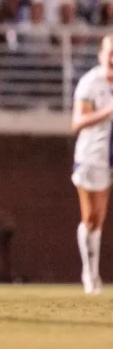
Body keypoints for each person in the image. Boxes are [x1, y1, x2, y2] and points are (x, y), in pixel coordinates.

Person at [70, 35, 113, 295]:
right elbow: (77, 121)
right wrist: (107, 111)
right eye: (110, 52)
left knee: (100, 220)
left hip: (110, 156)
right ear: (100, 54)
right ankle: (89, 272)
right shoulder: (90, 82)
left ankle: (93, 273)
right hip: (92, 156)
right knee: (91, 217)